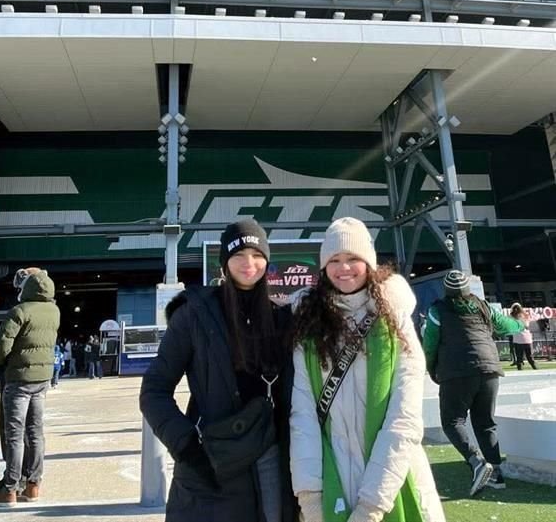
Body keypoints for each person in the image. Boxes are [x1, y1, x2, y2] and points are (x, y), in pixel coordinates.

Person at [140, 219, 297, 522]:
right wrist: (187, 447)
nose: (248, 263)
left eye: (256, 255)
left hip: (271, 463)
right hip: (212, 463)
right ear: (224, 263)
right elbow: (154, 391)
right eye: (238, 255)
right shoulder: (194, 316)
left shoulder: (282, 319)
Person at [290, 217, 445, 522]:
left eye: (352, 259)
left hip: (394, 480)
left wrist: (372, 505)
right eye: (334, 260)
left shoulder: (395, 320)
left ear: (370, 263)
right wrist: (310, 498)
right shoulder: (308, 327)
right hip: (333, 478)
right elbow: (303, 415)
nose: (343, 268)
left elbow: (404, 419)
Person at [423, 269, 528, 494]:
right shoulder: (483, 306)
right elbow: (506, 326)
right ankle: (497, 475)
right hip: (490, 369)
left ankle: (477, 462)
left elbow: (430, 344)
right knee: (486, 423)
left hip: (456, 371)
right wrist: (521, 324)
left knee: (453, 421)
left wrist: (430, 367)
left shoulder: (437, 310)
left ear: (446, 290)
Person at [0, 268, 60, 507]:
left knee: (14, 435)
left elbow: (3, 344)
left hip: (18, 379)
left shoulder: (20, 311)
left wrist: (0, 361)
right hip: (42, 379)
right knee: (36, 433)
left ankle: (10, 489)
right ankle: (33, 486)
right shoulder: (54, 311)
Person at [510, 303, 537, 370]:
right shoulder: (525, 316)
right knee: (530, 357)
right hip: (527, 339)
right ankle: (536, 369)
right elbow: (527, 326)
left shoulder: (511, 317)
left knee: (519, 358)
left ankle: (520, 370)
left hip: (517, 339)